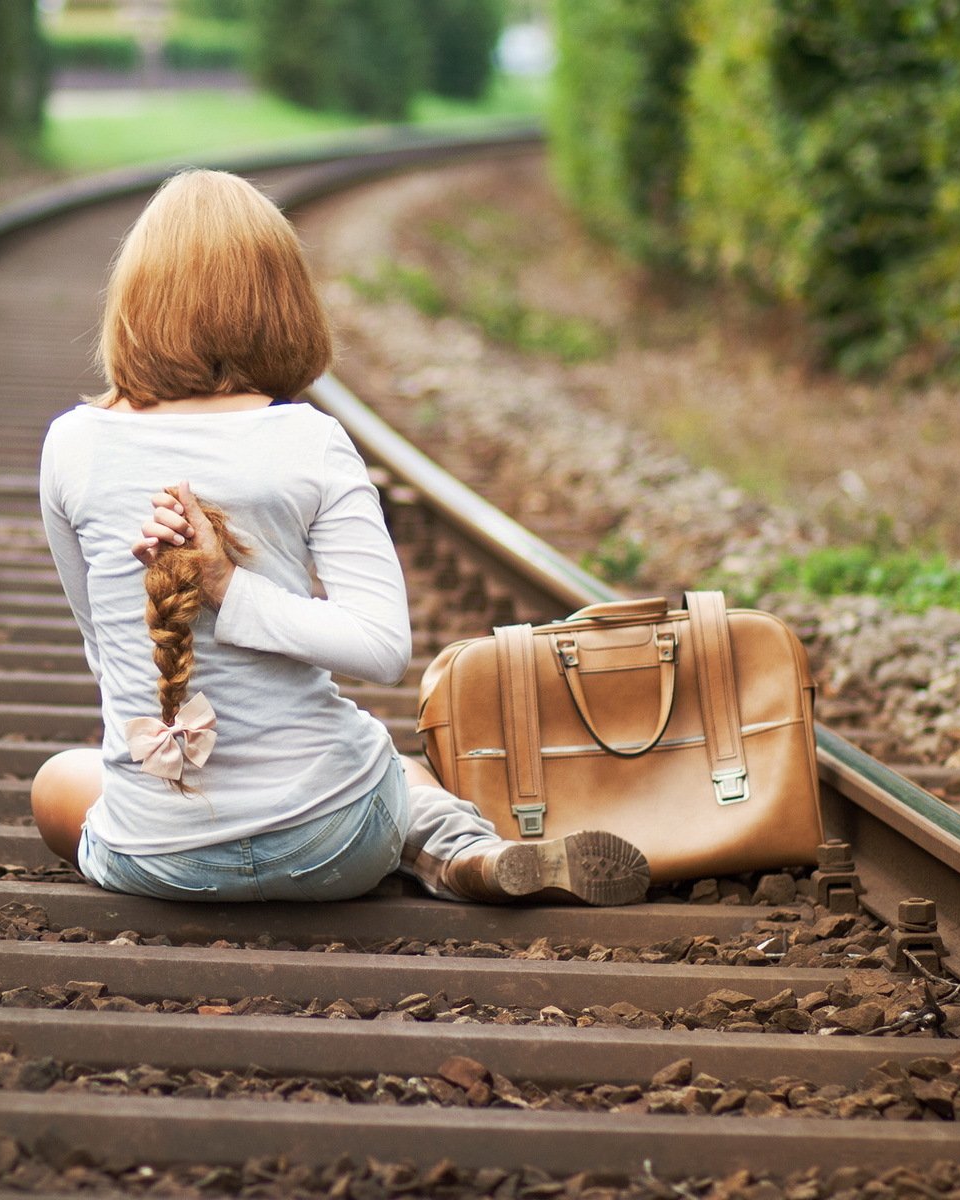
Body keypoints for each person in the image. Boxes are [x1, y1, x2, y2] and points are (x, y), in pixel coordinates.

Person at [32, 168, 649, 907]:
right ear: (280, 303)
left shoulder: (73, 445)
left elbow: (105, 647)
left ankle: (435, 849)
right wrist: (228, 588)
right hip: (330, 845)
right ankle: (459, 851)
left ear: (133, 301)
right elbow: (382, 648)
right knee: (391, 764)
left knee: (58, 783)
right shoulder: (311, 440)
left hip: (160, 858)